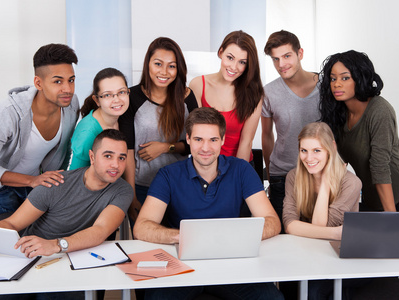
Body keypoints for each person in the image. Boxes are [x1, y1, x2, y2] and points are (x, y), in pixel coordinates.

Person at [134, 107, 283, 300]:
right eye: (198, 140)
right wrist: (187, 237)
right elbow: (142, 227)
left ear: (222, 140)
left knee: (272, 298)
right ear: (188, 139)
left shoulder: (242, 169)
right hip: (182, 264)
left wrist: (232, 238)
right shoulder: (168, 175)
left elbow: (272, 221)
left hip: (231, 263)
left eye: (213, 140)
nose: (205, 148)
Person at [0, 129, 133, 300]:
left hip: (70, 260)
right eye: (108, 156)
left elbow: (100, 230)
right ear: (93, 157)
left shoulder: (122, 191)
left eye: (121, 158)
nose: (116, 165)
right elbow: (11, 224)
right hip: (31, 257)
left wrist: (57, 245)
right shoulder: (56, 183)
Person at [0, 43, 80, 226]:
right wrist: (31, 180)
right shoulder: (8, 113)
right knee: (9, 245)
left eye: (71, 80)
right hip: (1, 189)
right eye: (58, 81)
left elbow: (65, 149)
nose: (68, 89)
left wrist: (53, 180)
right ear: (38, 83)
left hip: (37, 185)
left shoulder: (70, 105)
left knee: (40, 242)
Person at [319, 50, 399, 212]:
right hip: (370, 196)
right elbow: (337, 162)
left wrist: (392, 217)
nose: (336, 84)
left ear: (360, 78)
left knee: (391, 237)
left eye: (345, 78)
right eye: (333, 78)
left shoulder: (379, 110)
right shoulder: (337, 113)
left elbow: (380, 165)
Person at [119, 37, 198, 225]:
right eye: (158, 64)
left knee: (179, 242)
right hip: (141, 185)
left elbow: (194, 144)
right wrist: (131, 195)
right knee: (146, 245)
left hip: (179, 185)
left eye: (171, 66)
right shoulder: (132, 97)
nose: (164, 72)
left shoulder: (186, 97)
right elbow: (127, 149)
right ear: (148, 65)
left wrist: (166, 147)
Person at [261, 30, 320, 232]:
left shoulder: (325, 86)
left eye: (287, 56)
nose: (281, 65)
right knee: (282, 238)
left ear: (300, 53)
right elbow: (267, 135)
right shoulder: (268, 92)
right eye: (275, 59)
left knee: (319, 235)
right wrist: (270, 174)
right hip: (283, 175)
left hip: (320, 174)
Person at [190, 30, 263, 163]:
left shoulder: (254, 93)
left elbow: (246, 142)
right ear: (220, 52)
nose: (234, 67)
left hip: (240, 165)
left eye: (242, 62)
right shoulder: (198, 84)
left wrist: (237, 177)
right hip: (205, 165)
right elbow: (197, 135)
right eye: (230, 58)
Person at [283, 122, 361, 240]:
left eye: (316, 150)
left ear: (332, 148)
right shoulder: (293, 177)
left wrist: (325, 183)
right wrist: (336, 233)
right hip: (308, 247)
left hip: (339, 251)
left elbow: (324, 228)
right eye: (304, 150)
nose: (309, 158)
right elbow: (289, 225)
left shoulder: (351, 183)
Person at [69, 67, 130, 170]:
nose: (116, 99)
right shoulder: (87, 133)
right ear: (97, 100)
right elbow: (75, 175)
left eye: (122, 92)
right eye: (107, 95)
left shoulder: (121, 115)